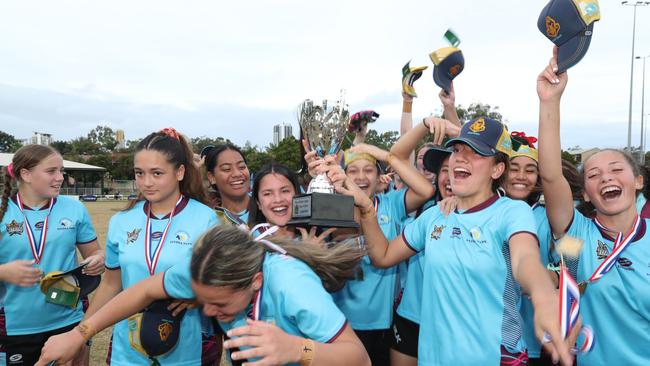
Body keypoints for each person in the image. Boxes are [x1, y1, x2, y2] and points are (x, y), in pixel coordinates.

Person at [337, 116, 574, 365]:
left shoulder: (512, 212)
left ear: (497, 169)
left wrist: (543, 295)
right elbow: (383, 256)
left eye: (476, 153)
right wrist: (365, 208)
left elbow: (525, 259)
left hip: (494, 358)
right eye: (457, 150)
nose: (460, 157)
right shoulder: (435, 215)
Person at [36, 225, 371, 366]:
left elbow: (359, 357)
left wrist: (297, 348)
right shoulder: (202, 271)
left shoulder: (292, 285)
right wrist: (79, 334)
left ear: (255, 282)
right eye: (201, 298)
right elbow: (142, 290)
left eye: (220, 304)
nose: (207, 310)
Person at [537, 48, 650, 365]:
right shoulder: (577, 233)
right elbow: (550, 174)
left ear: (637, 181)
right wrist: (550, 101)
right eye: (595, 175)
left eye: (617, 170)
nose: (606, 178)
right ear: (585, 194)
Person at [83, 128, 221, 365]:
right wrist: (82, 336)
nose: (146, 183)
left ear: (179, 172)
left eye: (157, 173)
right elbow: (111, 284)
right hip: (126, 352)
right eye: (139, 173)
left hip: (182, 348)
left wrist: (201, 296)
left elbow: (217, 283)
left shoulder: (205, 219)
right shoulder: (121, 222)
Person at [0, 144, 103, 366]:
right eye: (51, 171)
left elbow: (95, 254)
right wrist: (3, 272)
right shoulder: (2, 209)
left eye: (61, 171)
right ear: (25, 174)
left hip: (70, 321)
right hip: (14, 327)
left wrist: (98, 261)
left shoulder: (74, 209)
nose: (60, 178)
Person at [202, 144, 253, 223]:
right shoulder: (209, 221)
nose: (237, 174)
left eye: (242, 167)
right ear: (212, 177)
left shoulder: (267, 208)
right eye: (227, 169)